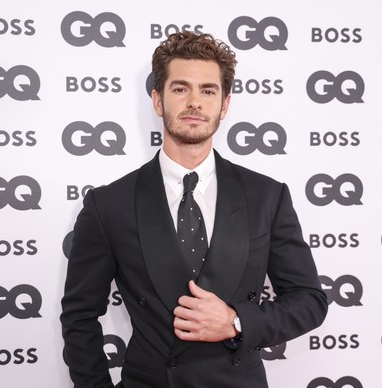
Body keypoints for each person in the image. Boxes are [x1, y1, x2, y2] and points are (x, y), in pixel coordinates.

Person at [60, 31, 328, 388]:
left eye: (208, 90)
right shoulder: (109, 204)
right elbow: (79, 317)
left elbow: (309, 300)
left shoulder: (266, 196)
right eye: (180, 88)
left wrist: (236, 322)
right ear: (158, 101)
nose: (194, 103)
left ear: (225, 104)